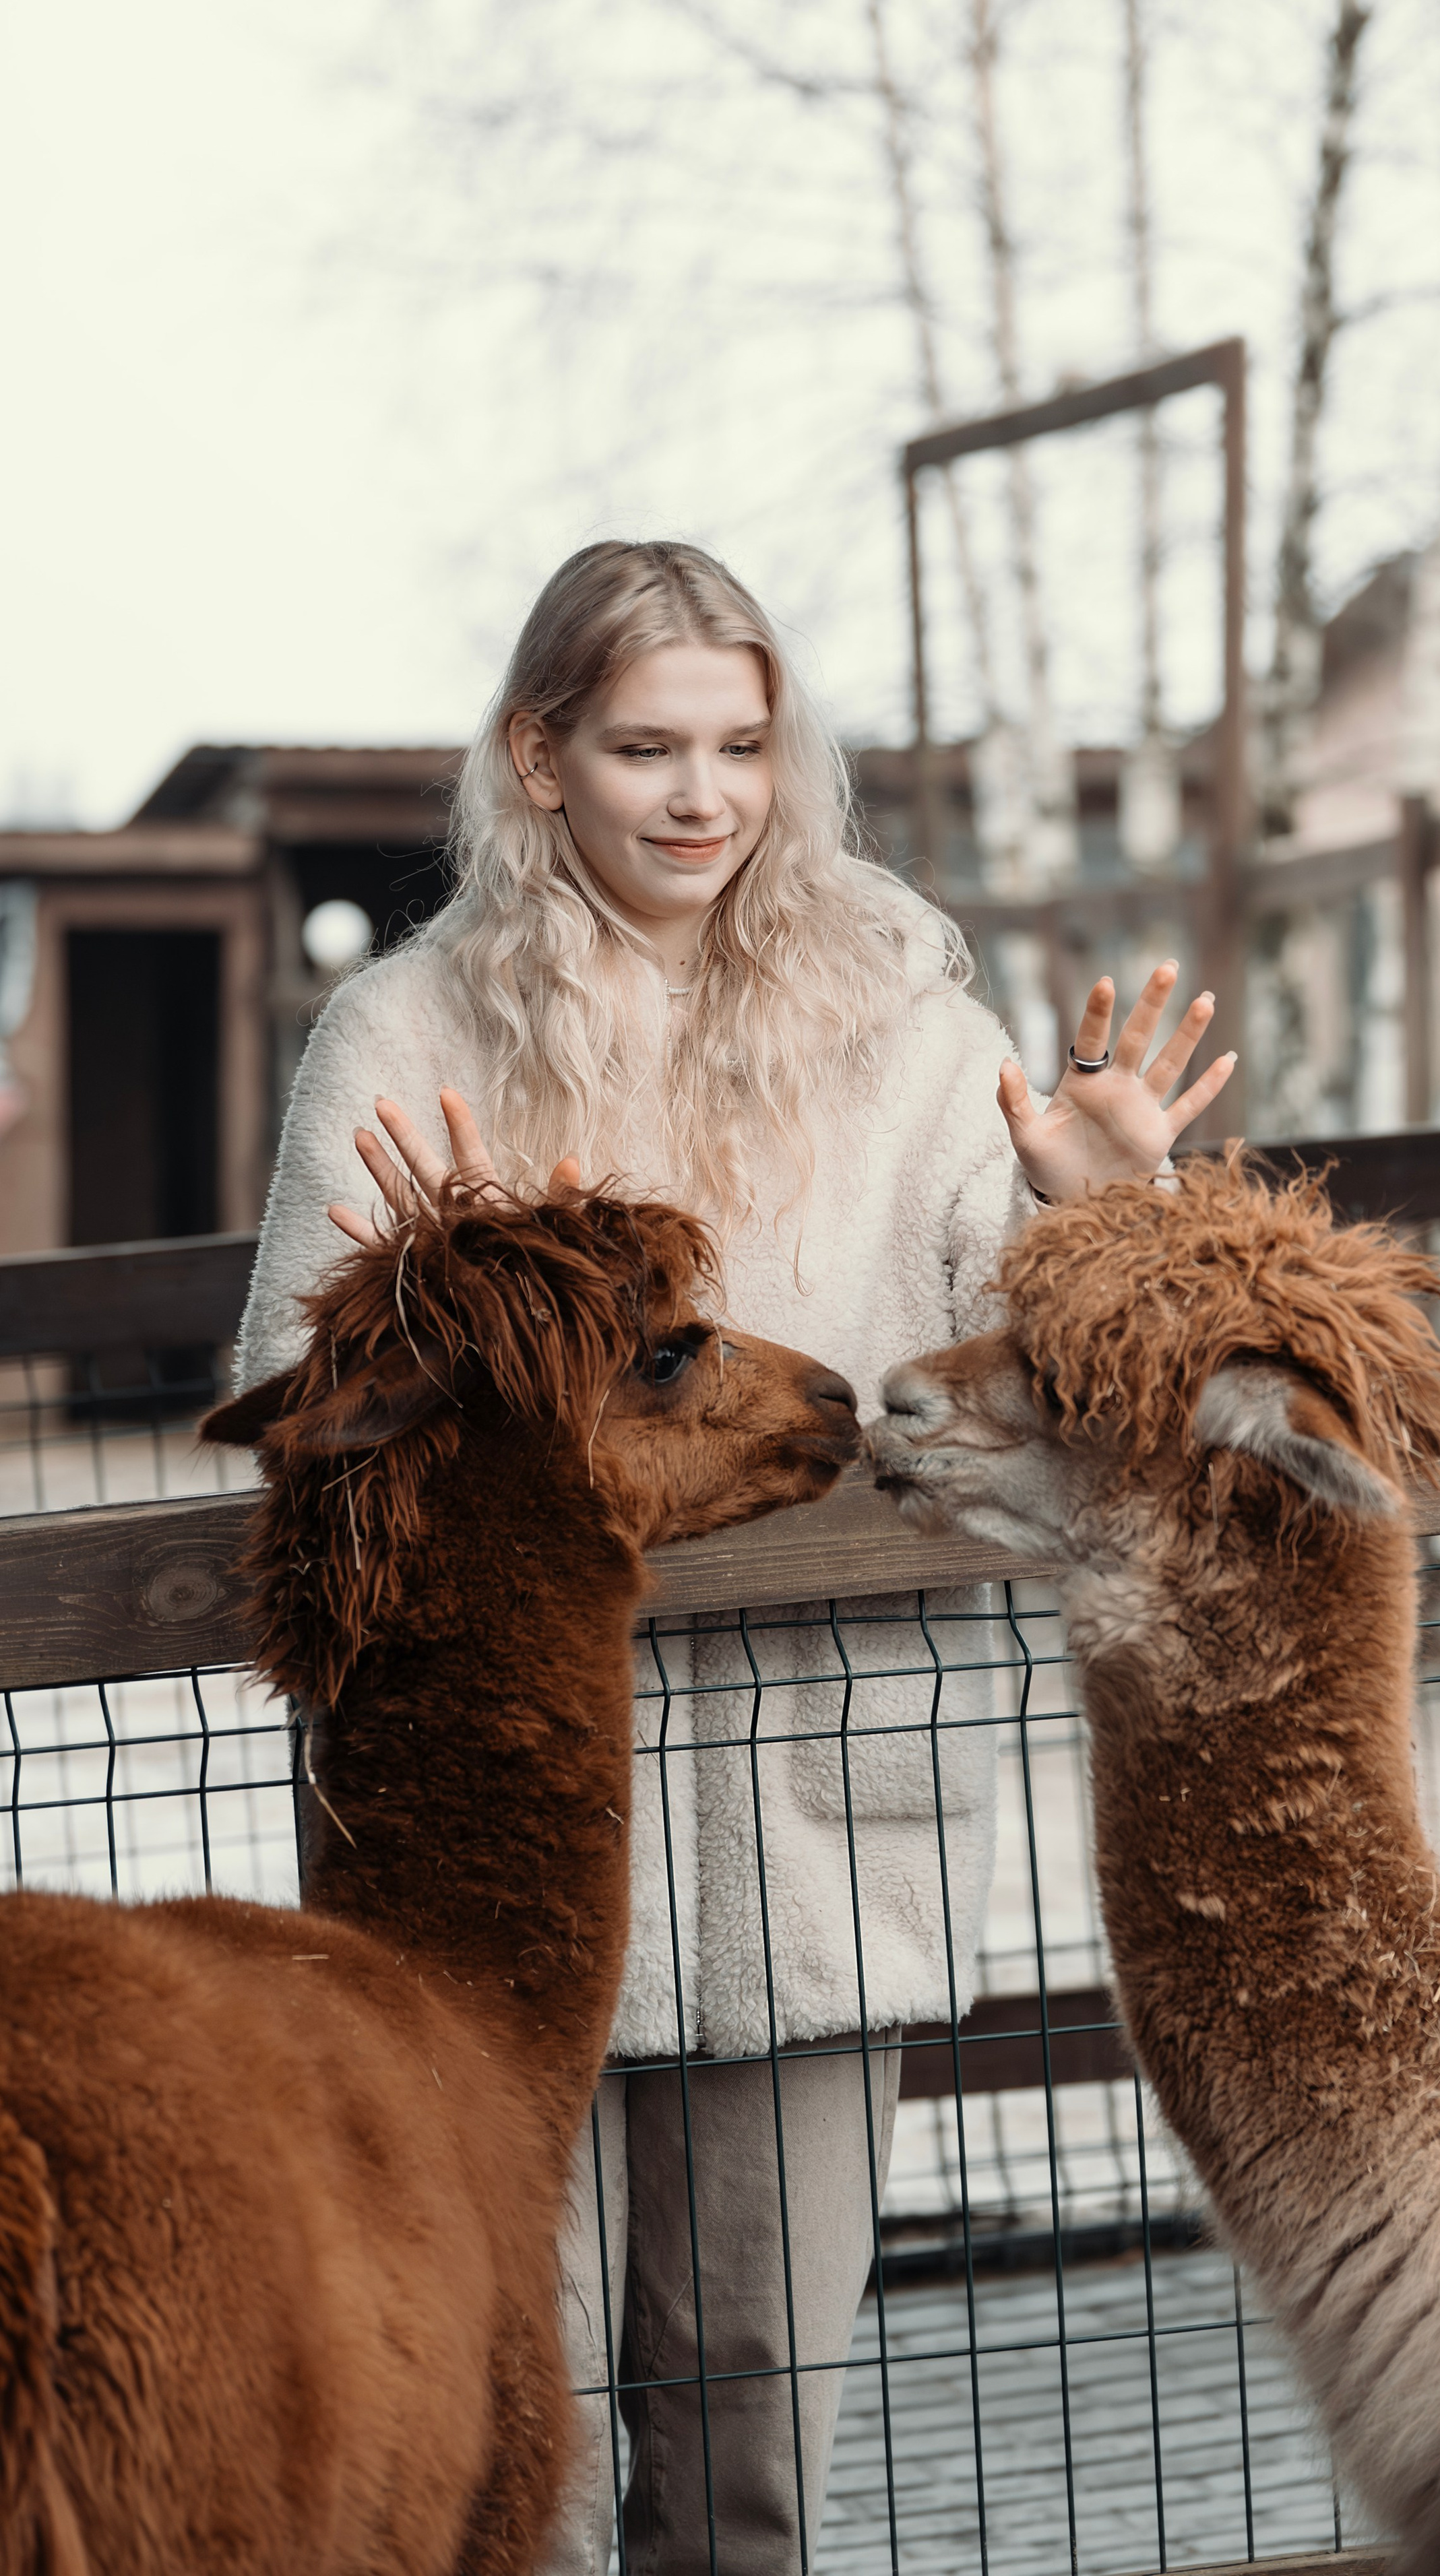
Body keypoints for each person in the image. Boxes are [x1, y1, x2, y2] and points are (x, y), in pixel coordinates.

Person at [234, 539, 1236, 2576]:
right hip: (492, 1862)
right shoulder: (404, 1029)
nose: (701, 798)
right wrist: (448, 1291)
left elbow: (1031, 1383)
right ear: (539, 758)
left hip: (815, 1827)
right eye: (644, 748)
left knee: (752, 2470)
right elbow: (296, 1402)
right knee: (507, 2454)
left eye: (742, 747)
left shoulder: (903, 1017)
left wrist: (1102, 1217)